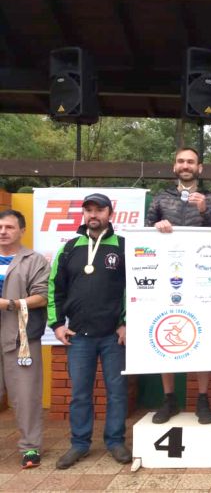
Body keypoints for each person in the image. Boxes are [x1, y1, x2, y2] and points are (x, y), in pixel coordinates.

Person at [48, 193, 130, 469]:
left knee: (116, 392)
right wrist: (57, 324)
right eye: (89, 210)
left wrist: (125, 322)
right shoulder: (69, 248)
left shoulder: (123, 246)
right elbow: (54, 288)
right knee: (80, 393)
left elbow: (134, 289)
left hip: (113, 336)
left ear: (110, 214)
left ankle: (115, 441)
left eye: (99, 210)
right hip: (79, 335)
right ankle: (80, 444)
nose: (93, 215)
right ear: (83, 214)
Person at [146, 147, 211, 425]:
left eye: (191, 162)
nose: (185, 165)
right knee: (165, 330)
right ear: (174, 166)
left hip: (201, 279)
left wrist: (204, 211)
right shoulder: (160, 198)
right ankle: (169, 399)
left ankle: (202, 398)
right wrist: (156, 227)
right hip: (165, 278)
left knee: (202, 335)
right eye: (181, 161)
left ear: (199, 168)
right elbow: (144, 234)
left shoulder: (210, 199)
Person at [0, 210, 50, 469]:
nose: (3, 231)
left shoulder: (34, 260)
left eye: (9, 227)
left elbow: (42, 296)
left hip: (20, 337)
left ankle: (30, 447)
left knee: (26, 395)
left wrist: (9, 304)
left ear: (22, 230)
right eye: (0, 227)